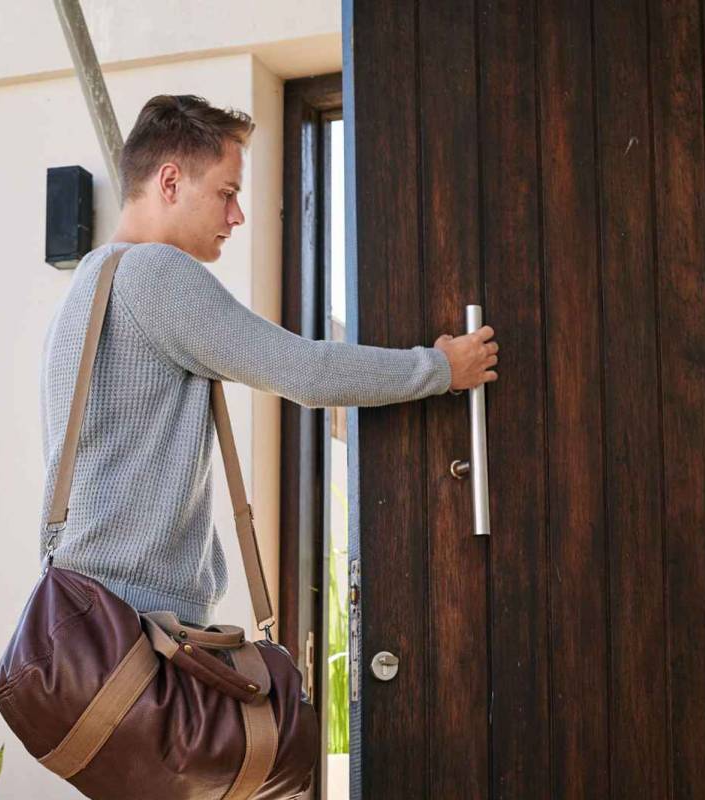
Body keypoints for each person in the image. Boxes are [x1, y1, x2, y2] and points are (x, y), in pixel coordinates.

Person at [38, 93, 499, 629]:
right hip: (139, 624)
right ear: (169, 183)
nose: (237, 216)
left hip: (84, 617)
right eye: (226, 193)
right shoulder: (154, 273)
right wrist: (440, 368)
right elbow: (306, 372)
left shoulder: (86, 288)